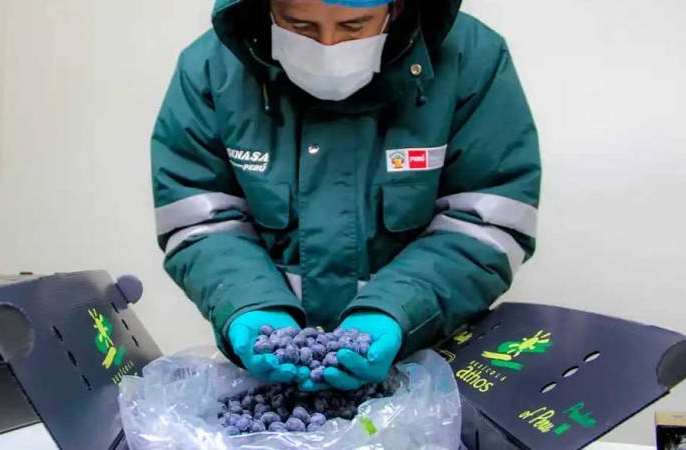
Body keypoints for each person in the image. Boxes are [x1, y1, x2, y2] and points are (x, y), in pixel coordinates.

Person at [151, 0, 540, 392]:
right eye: (300, 26)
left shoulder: (471, 60)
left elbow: (487, 221)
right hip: (271, 376)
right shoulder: (212, 69)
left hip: (424, 365)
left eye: (354, 26)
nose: (328, 46)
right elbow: (199, 217)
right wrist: (249, 304)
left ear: (397, 7)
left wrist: (399, 310)